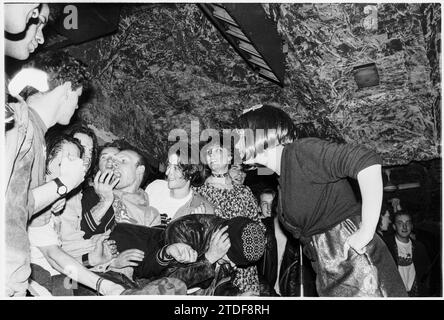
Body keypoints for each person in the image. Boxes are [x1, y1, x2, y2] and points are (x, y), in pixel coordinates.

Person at [235, 103, 407, 297]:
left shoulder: (301, 152)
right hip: (326, 267)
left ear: (260, 132)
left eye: (241, 135)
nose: (235, 143)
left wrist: (366, 231)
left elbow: (366, 161)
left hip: (352, 259)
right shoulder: (283, 176)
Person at [5, 77, 86, 296]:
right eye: (77, 97)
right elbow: (10, 204)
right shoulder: (19, 120)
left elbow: (24, 206)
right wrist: (62, 185)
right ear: (67, 88)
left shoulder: (36, 134)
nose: (78, 106)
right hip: (19, 272)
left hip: (21, 274)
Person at [28, 134, 123, 295]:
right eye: (67, 159)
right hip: (33, 277)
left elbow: (57, 258)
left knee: (75, 285)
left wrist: (93, 261)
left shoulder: (60, 201)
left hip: (60, 277)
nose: (74, 168)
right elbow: (53, 256)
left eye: (76, 161)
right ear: (47, 158)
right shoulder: (31, 194)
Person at [195, 139, 263, 295]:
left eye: (218, 151)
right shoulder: (200, 193)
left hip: (246, 267)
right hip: (219, 268)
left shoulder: (244, 191)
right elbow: (199, 235)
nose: (211, 156)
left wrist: (252, 250)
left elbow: (258, 227)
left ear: (229, 158)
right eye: (208, 153)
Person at [162, 214, 267, 296]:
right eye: (231, 258)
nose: (233, 265)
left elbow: (220, 285)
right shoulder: (184, 230)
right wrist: (209, 259)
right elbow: (168, 284)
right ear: (223, 239)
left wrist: (237, 296)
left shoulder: (231, 237)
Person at [81, 148, 160, 238]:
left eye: (123, 161)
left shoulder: (150, 214)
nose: (114, 164)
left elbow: (150, 248)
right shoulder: (96, 192)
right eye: (114, 162)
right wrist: (104, 202)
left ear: (139, 170)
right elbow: (79, 232)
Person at [145, 144, 214, 226]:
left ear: (191, 173)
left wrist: (197, 228)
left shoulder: (201, 208)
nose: (168, 172)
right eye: (169, 166)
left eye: (176, 168)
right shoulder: (155, 187)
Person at [383, 211, 431, 296]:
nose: (404, 227)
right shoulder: (386, 245)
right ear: (394, 226)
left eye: (407, 223)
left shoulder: (420, 247)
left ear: (412, 226)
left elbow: (426, 275)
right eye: (400, 223)